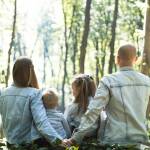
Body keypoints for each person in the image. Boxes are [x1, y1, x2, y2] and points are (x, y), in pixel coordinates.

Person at [63, 44, 150, 146]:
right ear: (135, 59)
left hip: (114, 142)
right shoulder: (147, 81)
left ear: (117, 59)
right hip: (140, 142)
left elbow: (93, 111)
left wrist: (75, 139)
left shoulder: (108, 80)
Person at [0, 57, 62, 147]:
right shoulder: (34, 93)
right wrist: (59, 141)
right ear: (30, 72)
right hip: (29, 145)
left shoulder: (3, 93)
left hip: (10, 144)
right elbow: (41, 123)